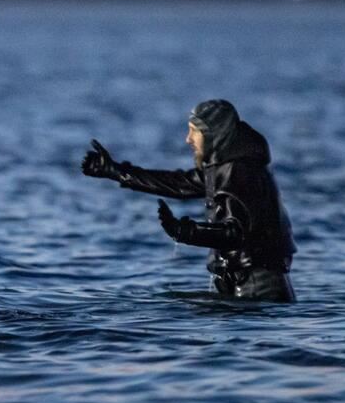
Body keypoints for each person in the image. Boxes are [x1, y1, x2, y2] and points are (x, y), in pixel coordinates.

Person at [81, 99, 296, 302]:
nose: (188, 139)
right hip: (248, 285)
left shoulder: (239, 171)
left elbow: (235, 234)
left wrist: (184, 231)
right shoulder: (226, 166)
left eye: (194, 131)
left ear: (214, 135)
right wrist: (116, 172)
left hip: (258, 289)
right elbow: (179, 183)